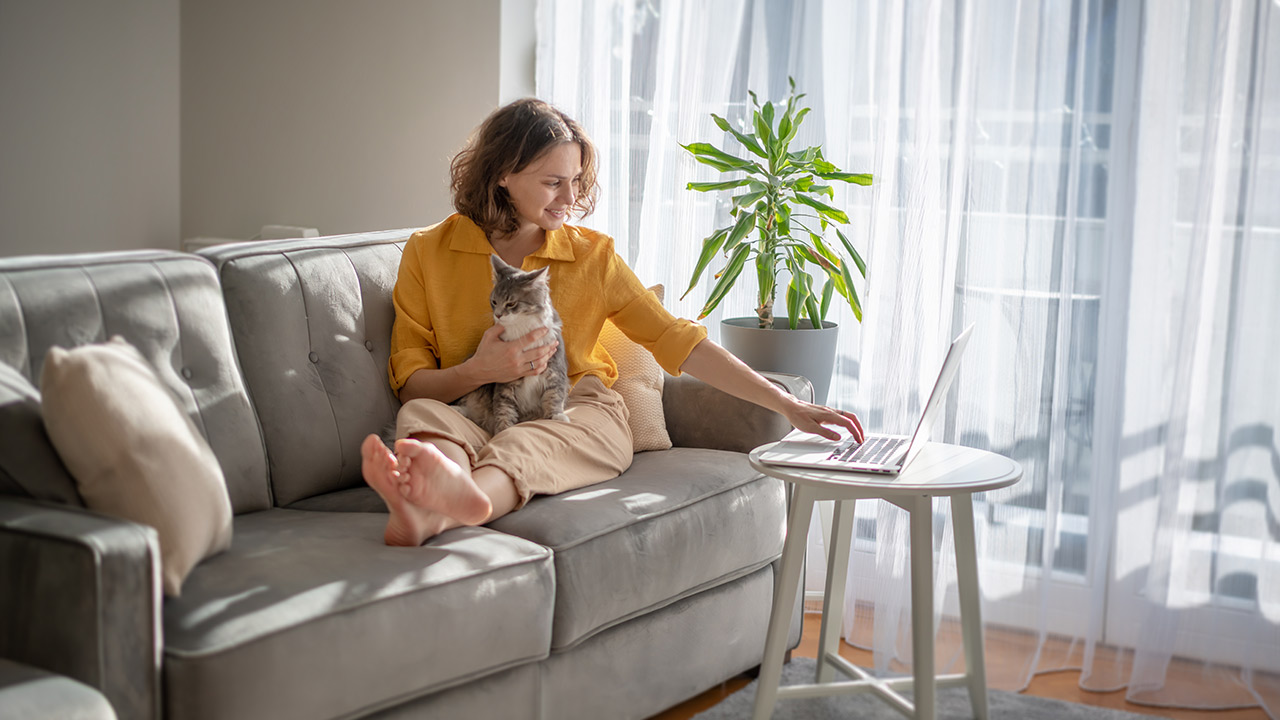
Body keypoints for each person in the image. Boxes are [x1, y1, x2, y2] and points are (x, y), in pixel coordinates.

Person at [361, 98, 864, 547]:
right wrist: (480, 370)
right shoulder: (429, 252)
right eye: (553, 182)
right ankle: (431, 512)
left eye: (575, 180)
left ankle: (462, 501)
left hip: (577, 409)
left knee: (529, 440)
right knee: (424, 418)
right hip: (475, 405)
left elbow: (677, 341)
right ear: (502, 175)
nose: (569, 197)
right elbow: (412, 386)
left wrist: (787, 403)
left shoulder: (592, 257)